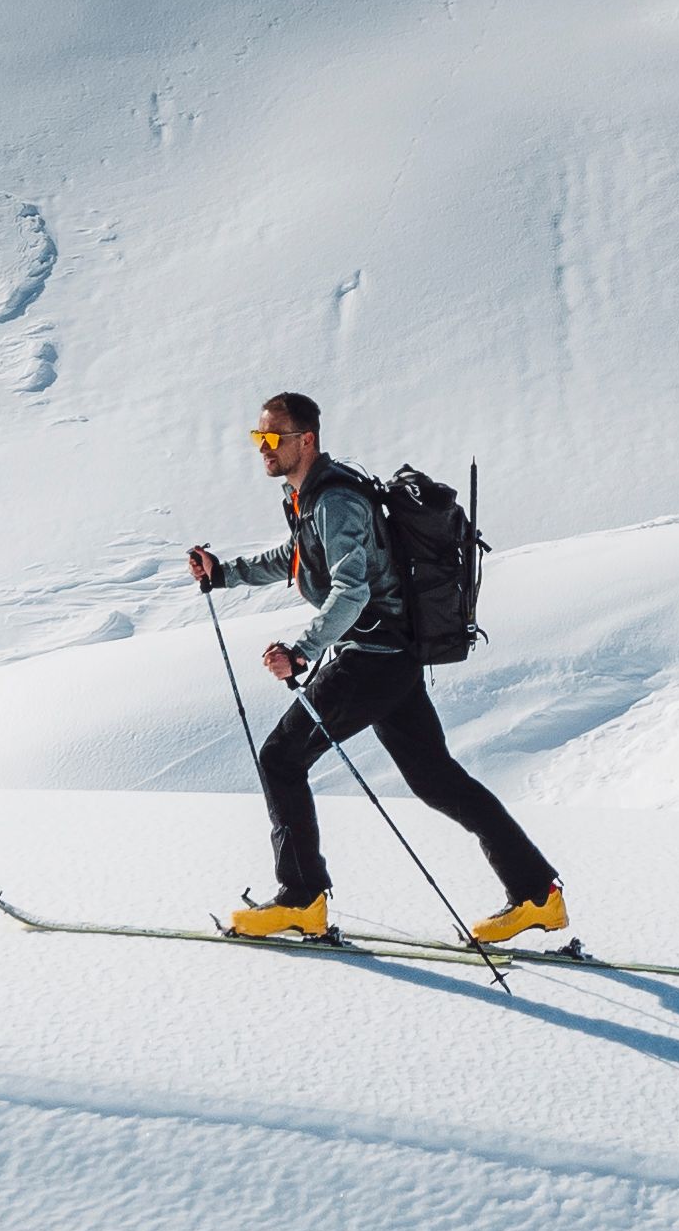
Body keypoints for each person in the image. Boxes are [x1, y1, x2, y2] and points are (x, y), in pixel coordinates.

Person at [187, 388, 566, 947]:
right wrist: (225, 573)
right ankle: (537, 894)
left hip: (371, 657)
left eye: (272, 437)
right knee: (437, 781)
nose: (262, 447)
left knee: (281, 758)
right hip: (392, 658)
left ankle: (301, 899)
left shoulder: (335, 500)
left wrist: (302, 651)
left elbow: (351, 590)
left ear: (305, 440)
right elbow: (295, 558)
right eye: (256, 436)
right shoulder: (312, 497)